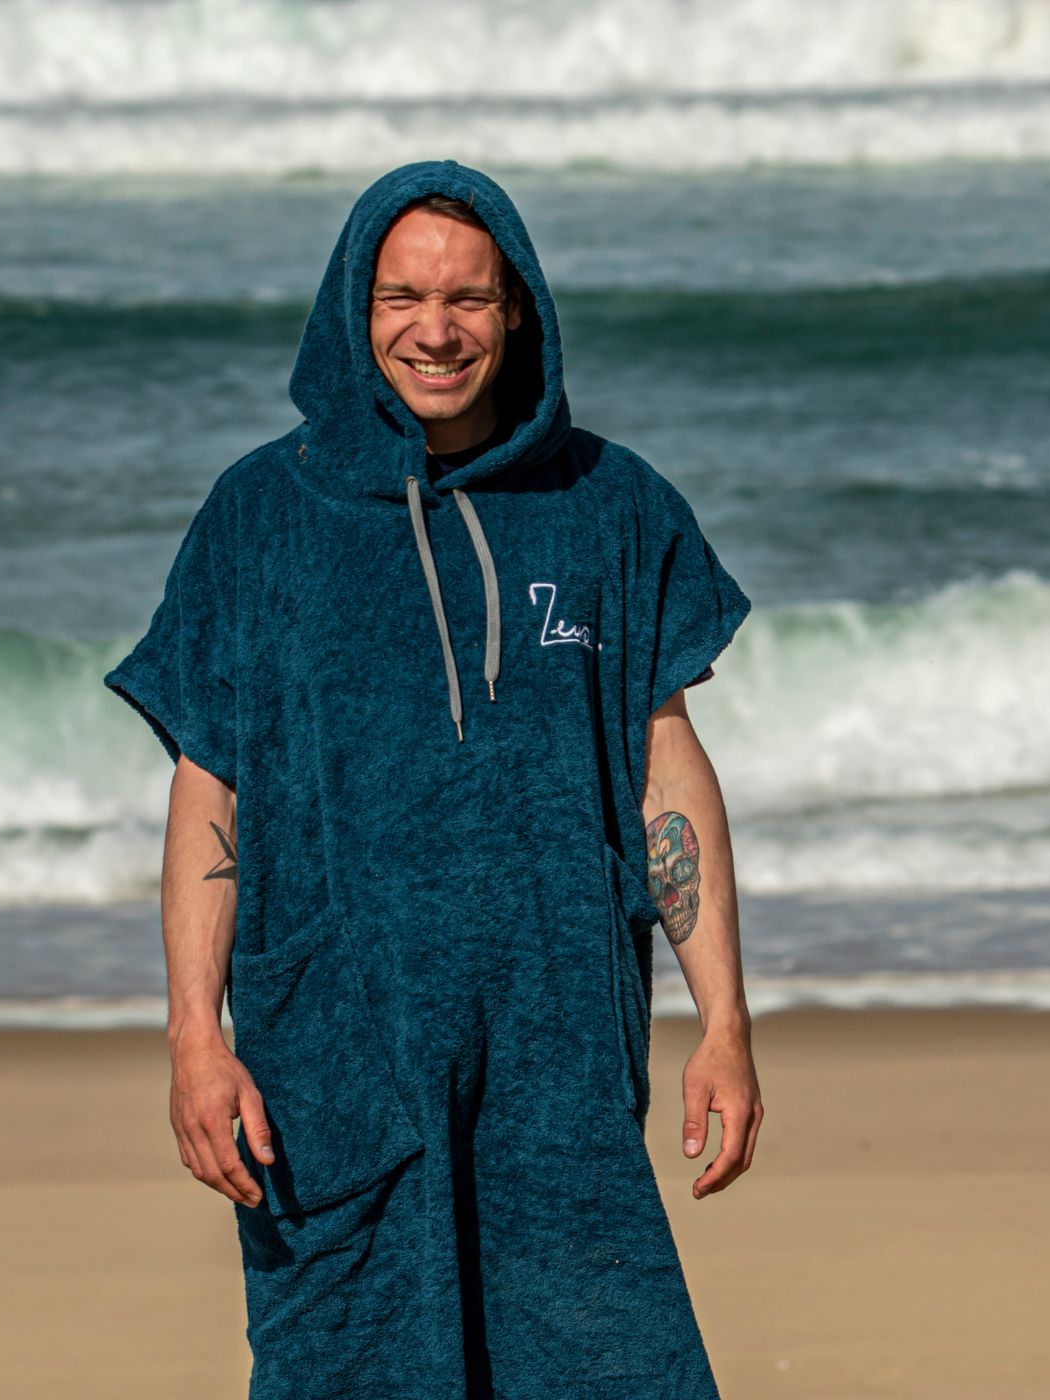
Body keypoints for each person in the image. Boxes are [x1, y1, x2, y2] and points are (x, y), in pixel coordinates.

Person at [103, 159, 762, 1399]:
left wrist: (721, 1021)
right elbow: (210, 789)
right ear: (355, 313)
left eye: (467, 298)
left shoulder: (611, 506)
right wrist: (196, 1037)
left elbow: (663, 768)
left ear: (517, 313)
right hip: (330, 1058)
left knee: (607, 1369)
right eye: (402, 296)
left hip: (559, 1050)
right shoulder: (258, 515)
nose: (436, 329)